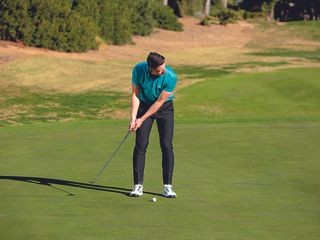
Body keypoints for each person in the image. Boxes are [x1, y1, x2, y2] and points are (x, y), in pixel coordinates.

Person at [129, 52, 177, 198]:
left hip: (164, 109)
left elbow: (159, 102)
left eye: (164, 67)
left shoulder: (170, 76)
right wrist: (133, 118)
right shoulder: (138, 70)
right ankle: (138, 185)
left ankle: (167, 186)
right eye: (159, 70)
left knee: (166, 145)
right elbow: (135, 94)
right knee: (141, 145)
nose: (162, 71)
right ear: (150, 68)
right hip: (144, 105)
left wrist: (141, 119)